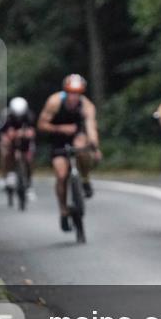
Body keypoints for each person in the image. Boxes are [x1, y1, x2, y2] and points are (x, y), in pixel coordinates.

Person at [37, 74, 101, 232]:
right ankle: (63, 210)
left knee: (82, 148)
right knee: (61, 175)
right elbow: (41, 124)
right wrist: (60, 128)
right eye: (71, 92)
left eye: (77, 93)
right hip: (57, 139)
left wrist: (94, 146)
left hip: (77, 136)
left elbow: (91, 127)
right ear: (66, 92)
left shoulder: (86, 105)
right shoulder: (54, 102)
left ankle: (85, 178)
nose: (74, 96)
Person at [0, 96, 36, 196]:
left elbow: (32, 133)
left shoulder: (29, 115)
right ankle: (5, 176)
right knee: (5, 152)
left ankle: (29, 183)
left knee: (29, 159)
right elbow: (3, 134)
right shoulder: (6, 116)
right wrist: (9, 138)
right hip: (10, 139)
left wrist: (23, 134)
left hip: (25, 141)